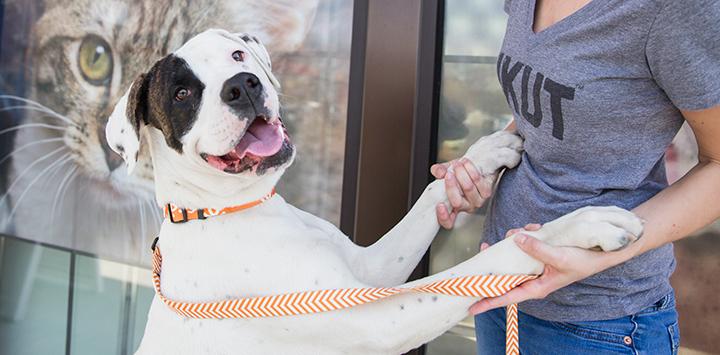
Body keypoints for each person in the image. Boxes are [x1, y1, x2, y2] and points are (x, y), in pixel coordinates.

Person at [431, 0, 720, 353]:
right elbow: (543, 110)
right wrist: (488, 165)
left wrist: (598, 257)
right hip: (500, 288)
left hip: (600, 323)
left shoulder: (676, 10)